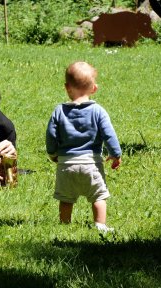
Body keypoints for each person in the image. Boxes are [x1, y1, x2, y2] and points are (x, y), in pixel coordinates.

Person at [45, 61, 122, 232]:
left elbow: (51, 134)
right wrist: (115, 154)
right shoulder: (98, 111)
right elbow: (109, 134)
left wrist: (53, 153)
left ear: (67, 87)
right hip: (91, 164)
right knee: (98, 196)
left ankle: (64, 224)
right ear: (94, 88)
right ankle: (100, 225)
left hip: (66, 164)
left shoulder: (59, 111)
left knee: (66, 199)